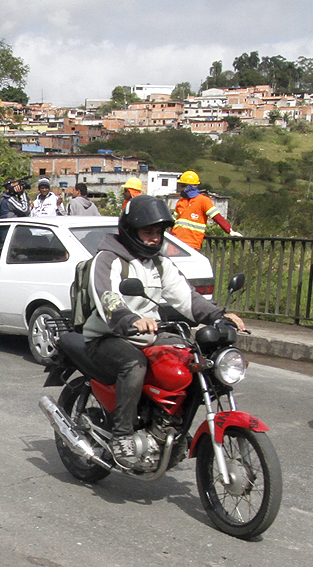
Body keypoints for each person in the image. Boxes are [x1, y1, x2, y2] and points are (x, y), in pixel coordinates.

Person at [81, 194, 246, 466]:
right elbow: (107, 298)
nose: (154, 238)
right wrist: (129, 318)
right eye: (148, 232)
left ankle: (170, 423)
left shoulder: (159, 263)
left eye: (158, 232)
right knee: (133, 364)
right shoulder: (109, 258)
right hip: (107, 336)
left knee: (191, 359)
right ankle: (122, 435)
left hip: (148, 334)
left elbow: (187, 298)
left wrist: (219, 315)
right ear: (130, 230)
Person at [171, 170, 240, 251]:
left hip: (191, 243)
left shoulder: (203, 200)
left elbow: (217, 217)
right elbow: (173, 223)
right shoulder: (180, 202)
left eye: (182, 186)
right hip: (175, 243)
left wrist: (230, 231)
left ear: (189, 187)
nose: (181, 188)